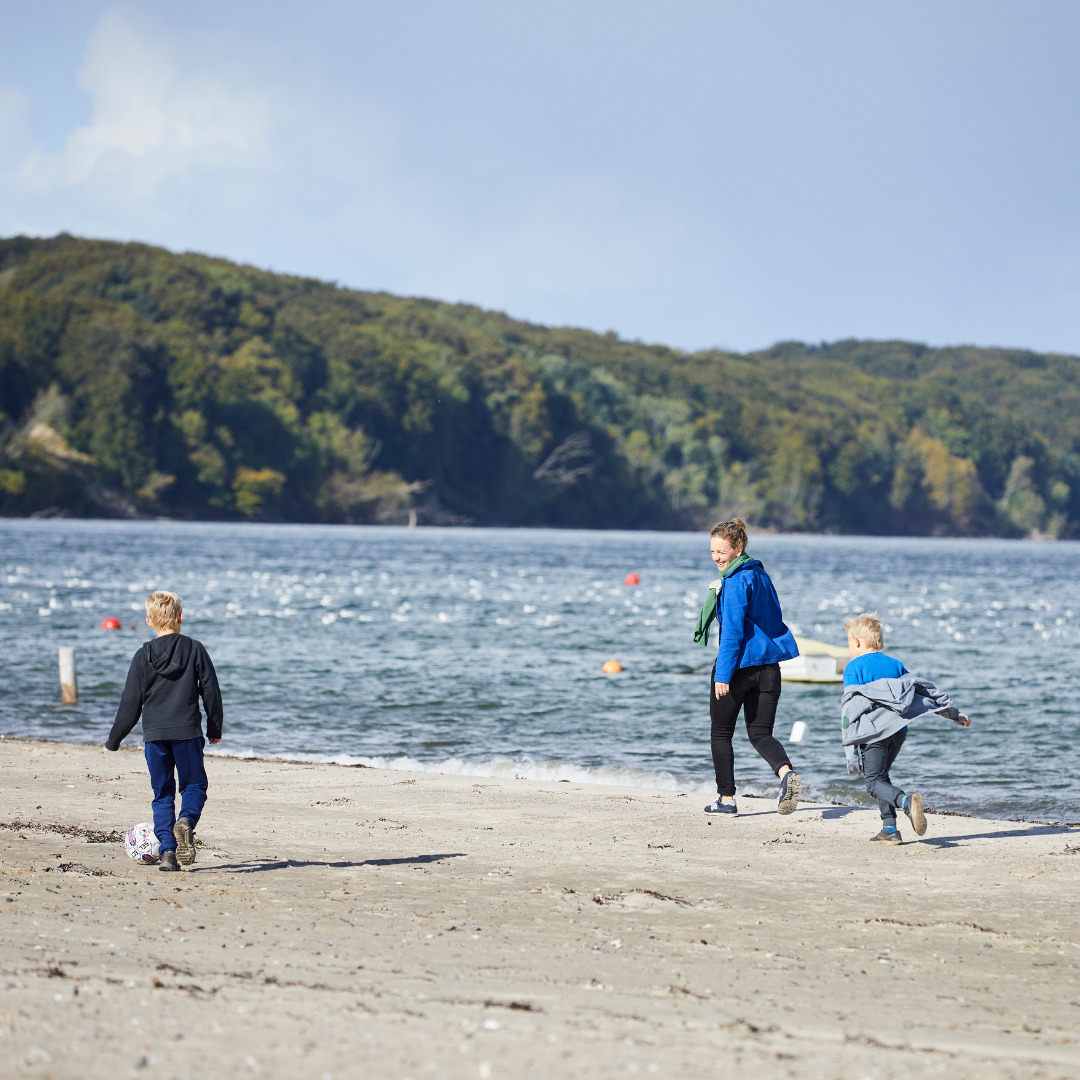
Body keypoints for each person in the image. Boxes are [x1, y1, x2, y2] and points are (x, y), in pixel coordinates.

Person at [105, 591, 223, 871]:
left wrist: (115, 738)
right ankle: (186, 821)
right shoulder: (195, 649)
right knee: (194, 785)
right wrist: (214, 727)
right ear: (180, 617)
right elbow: (211, 692)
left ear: (149, 621)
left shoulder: (142, 655)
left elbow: (130, 703)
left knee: (162, 794)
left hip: (155, 735)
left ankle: (168, 853)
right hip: (187, 732)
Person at [693, 518, 801, 816]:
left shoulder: (735, 581)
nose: (716, 557)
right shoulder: (761, 576)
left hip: (738, 668)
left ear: (738, 548)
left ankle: (726, 800)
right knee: (761, 734)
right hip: (769, 669)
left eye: (721, 551)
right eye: (712, 551)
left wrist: (724, 674)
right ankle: (786, 774)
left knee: (720, 733)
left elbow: (732, 634)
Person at [842, 612, 971, 844]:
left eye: (849, 642)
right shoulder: (895, 663)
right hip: (899, 731)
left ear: (857, 642)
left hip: (874, 733)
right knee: (881, 777)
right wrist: (955, 714)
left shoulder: (854, 667)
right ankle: (890, 830)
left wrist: (849, 747)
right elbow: (924, 689)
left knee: (873, 783)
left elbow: (850, 708)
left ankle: (906, 802)